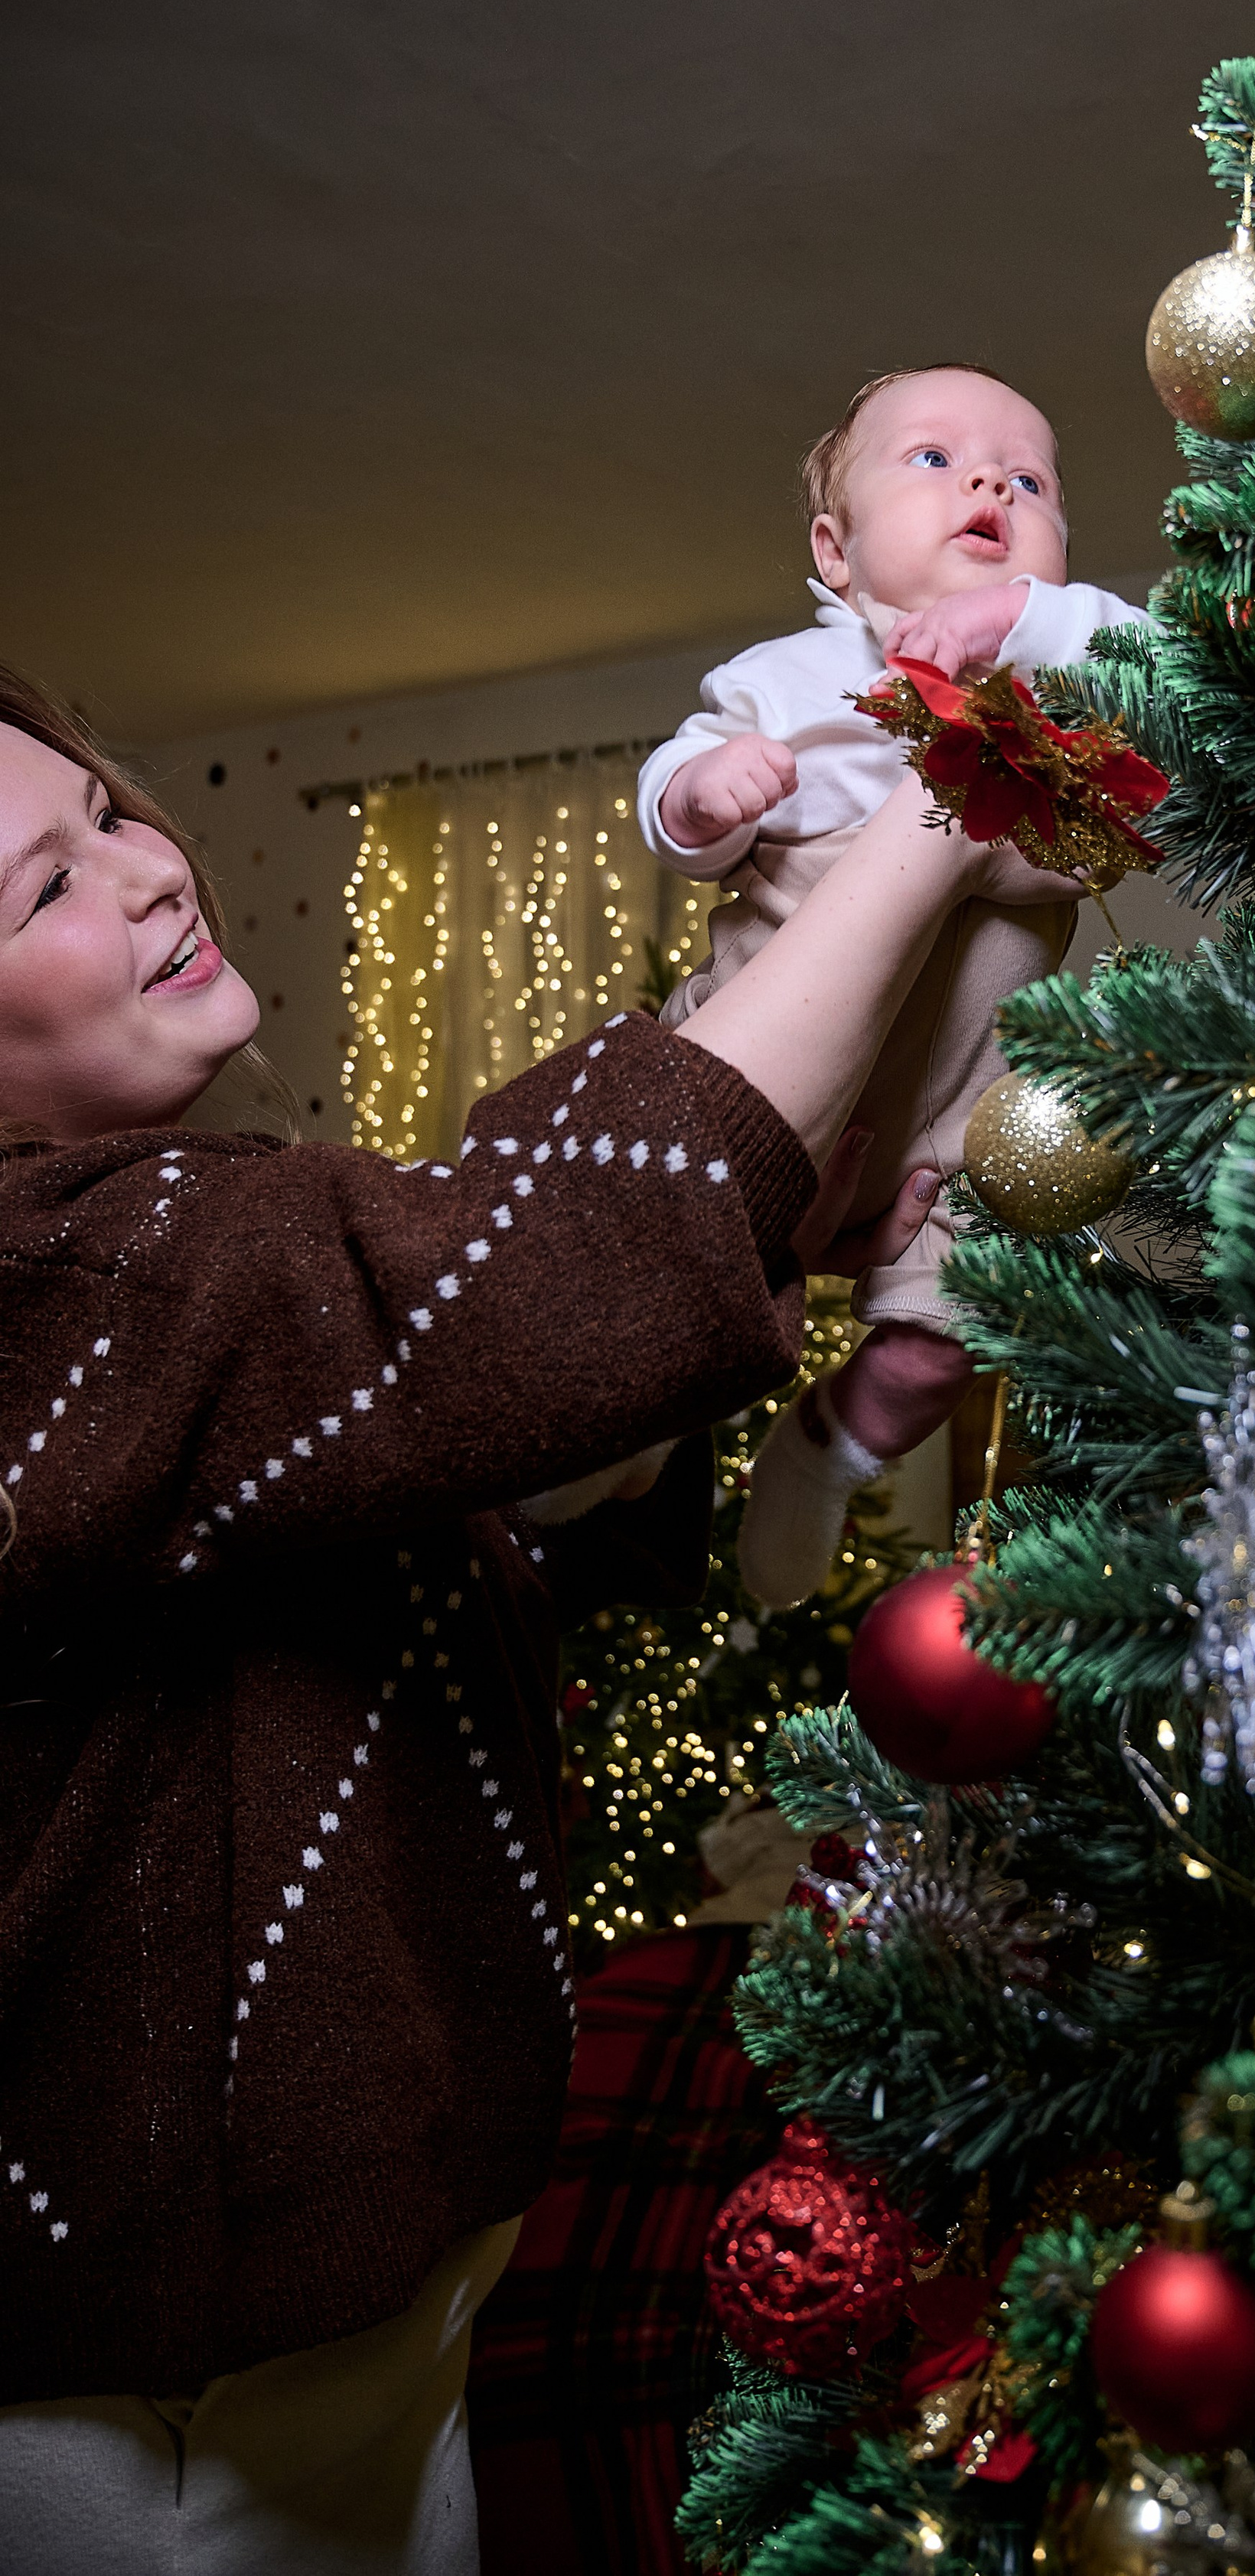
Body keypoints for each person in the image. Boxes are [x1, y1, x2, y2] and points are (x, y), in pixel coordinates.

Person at [0, 666, 1075, 2574]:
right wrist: (941, 793)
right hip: (145, 2385)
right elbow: (541, 1267)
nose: (153, 873)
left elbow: (485, 1465)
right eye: (41, 891)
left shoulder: (183, 1225)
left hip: (355, 2296)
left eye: (108, 811)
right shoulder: (59, 1290)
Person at [640, 363, 1148, 1610]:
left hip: (957, 1124)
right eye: (934, 460)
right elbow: (678, 778)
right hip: (753, 1078)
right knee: (659, 1295)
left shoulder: (1066, 664)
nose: (990, 483)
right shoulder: (791, 679)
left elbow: (1157, 665)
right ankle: (622, 1440)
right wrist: (703, 800)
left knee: (938, 1350)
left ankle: (822, 1452)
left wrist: (1018, 621)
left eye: (1028, 480)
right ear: (836, 551)